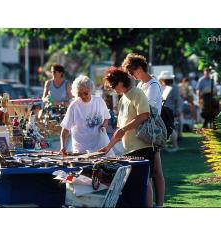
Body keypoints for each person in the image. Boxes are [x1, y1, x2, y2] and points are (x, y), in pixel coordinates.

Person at [98, 66, 153, 207]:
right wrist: (108, 147)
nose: (112, 88)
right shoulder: (122, 99)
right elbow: (119, 129)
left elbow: (144, 115)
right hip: (128, 150)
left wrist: (124, 129)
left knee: (139, 187)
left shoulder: (137, 93)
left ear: (121, 82)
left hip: (142, 148)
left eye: (113, 85)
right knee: (130, 188)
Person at [121, 53, 165, 208]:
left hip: (150, 132)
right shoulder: (141, 86)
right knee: (155, 171)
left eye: (132, 72)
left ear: (139, 68)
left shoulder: (153, 86)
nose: (131, 75)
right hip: (143, 133)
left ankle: (157, 205)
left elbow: (147, 113)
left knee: (154, 173)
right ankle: (156, 205)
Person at [60, 75, 112, 155]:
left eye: (85, 93)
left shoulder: (99, 101)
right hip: (81, 151)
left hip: (100, 148)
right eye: (80, 94)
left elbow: (106, 118)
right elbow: (65, 129)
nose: (83, 96)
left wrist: (104, 127)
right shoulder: (74, 106)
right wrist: (62, 146)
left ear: (90, 90)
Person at [158, 70, 180, 151]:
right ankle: (173, 145)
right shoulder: (175, 87)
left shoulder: (162, 87)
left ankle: (174, 146)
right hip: (170, 110)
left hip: (165, 110)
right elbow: (177, 101)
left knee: (169, 128)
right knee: (171, 128)